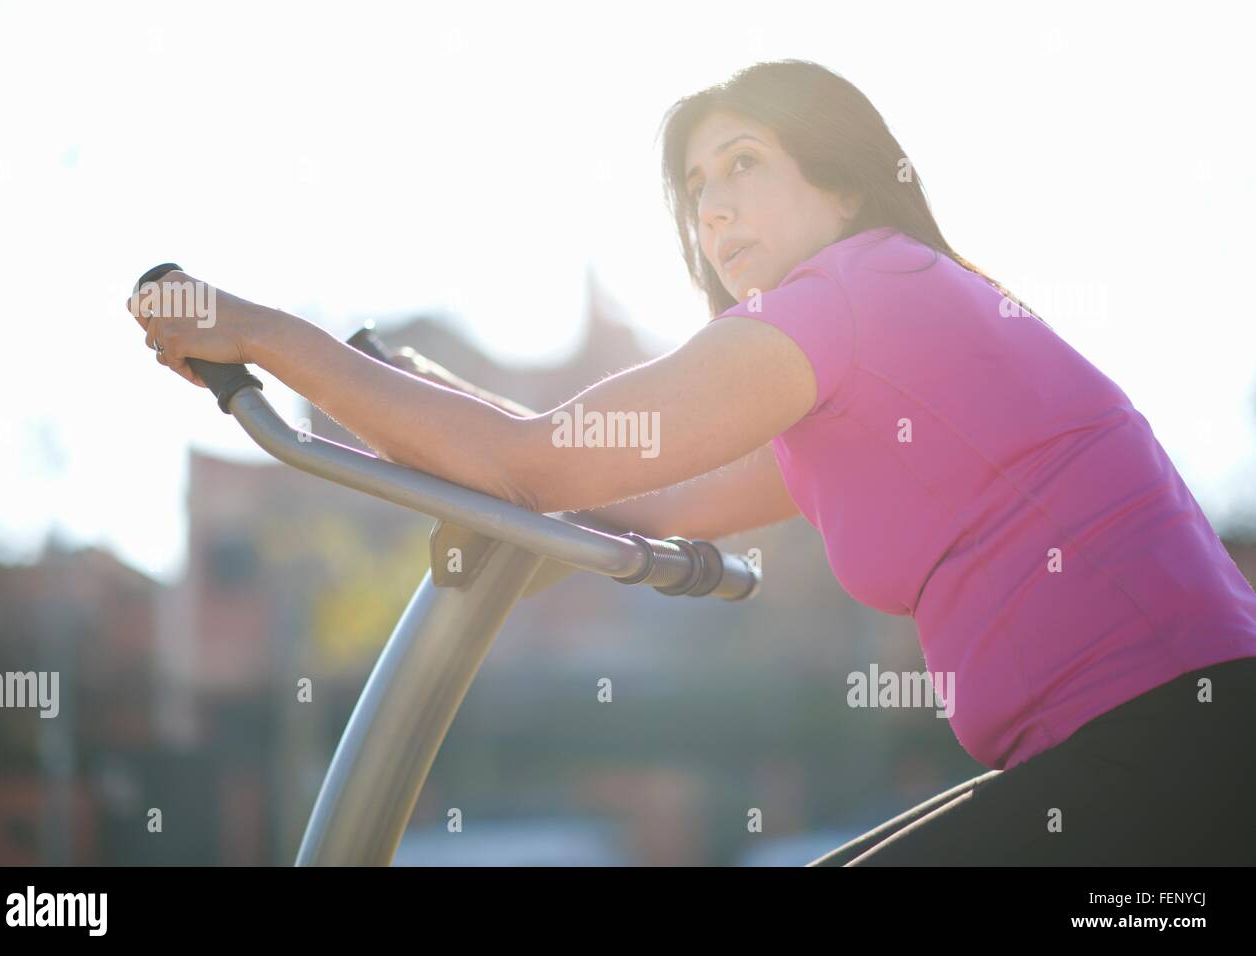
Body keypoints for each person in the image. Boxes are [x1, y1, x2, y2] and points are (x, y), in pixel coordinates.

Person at [125, 59, 1256, 865]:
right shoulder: (854, 370)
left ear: (846, 182)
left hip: (1172, 749)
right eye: (696, 189)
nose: (714, 207)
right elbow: (630, 490)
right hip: (1136, 752)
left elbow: (541, 465)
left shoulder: (856, 294)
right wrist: (410, 402)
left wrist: (269, 335)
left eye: (744, 164)